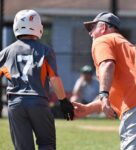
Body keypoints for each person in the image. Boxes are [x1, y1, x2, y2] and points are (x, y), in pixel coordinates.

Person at [73, 12, 136, 150]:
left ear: (103, 27)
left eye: (92, 28)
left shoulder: (103, 40)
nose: (90, 33)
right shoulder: (129, 49)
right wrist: (88, 109)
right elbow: (123, 89)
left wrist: (103, 95)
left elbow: (107, 64)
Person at [0, 9, 74, 150]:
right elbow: (54, 78)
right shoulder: (45, 50)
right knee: (46, 143)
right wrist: (63, 101)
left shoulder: (6, 52)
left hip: (15, 104)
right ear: (38, 27)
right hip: (38, 101)